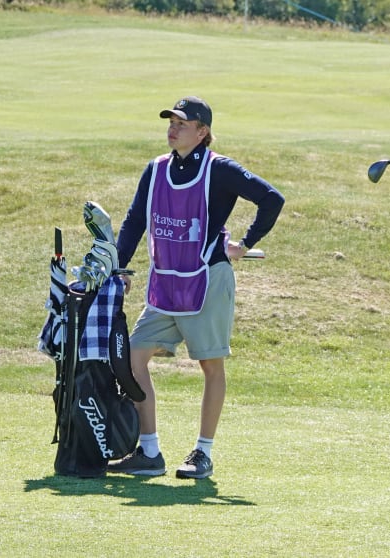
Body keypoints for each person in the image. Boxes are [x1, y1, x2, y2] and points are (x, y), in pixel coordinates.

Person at [109, 96, 285, 479]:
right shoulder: (155, 169)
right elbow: (135, 220)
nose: (173, 129)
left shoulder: (219, 169)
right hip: (165, 284)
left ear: (202, 132)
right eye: (171, 122)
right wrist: (120, 266)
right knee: (133, 358)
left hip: (207, 280)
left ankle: (202, 454)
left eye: (182, 124)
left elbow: (271, 199)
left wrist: (246, 243)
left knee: (210, 365)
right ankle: (149, 451)